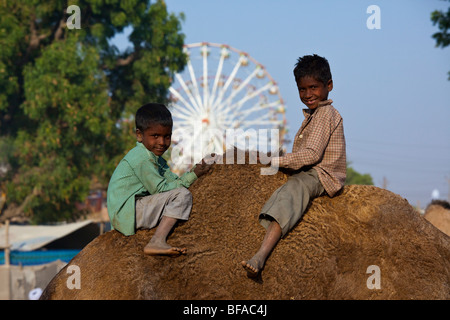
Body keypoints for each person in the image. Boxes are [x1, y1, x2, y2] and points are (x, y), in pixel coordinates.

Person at [241, 54, 346, 278]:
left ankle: (261, 255)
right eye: (302, 89)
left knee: (293, 189)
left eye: (313, 87)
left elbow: (311, 154)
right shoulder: (313, 115)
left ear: (329, 86)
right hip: (310, 167)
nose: (308, 94)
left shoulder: (326, 114)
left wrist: (276, 161)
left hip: (322, 173)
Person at [107, 103, 213, 256]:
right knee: (183, 196)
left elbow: (175, 183)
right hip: (128, 212)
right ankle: (157, 240)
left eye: (167, 136)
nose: (162, 142)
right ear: (139, 135)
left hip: (135, 208)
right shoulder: (141, 157)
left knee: (181, 192)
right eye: (155, 136)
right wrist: (194, 175)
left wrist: (195, 172)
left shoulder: (158, 160)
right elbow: (161, 189)